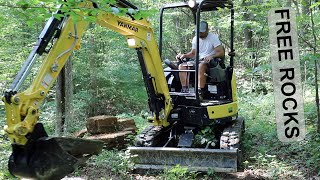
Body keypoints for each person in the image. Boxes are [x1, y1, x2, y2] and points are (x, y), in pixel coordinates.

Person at [176, 21, 225, 99]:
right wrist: (184, 55)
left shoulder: (213, 38)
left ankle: (200, 91)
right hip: (198, 60)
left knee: (201, 65)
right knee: (182, 66)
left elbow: (221, 52)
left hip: (210, 62)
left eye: (202, 32)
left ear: (207, 30)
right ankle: (185, 90)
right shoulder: (195, 39)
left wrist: (211, 56)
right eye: (198, 32)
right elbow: (193, 53)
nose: (200, 34)